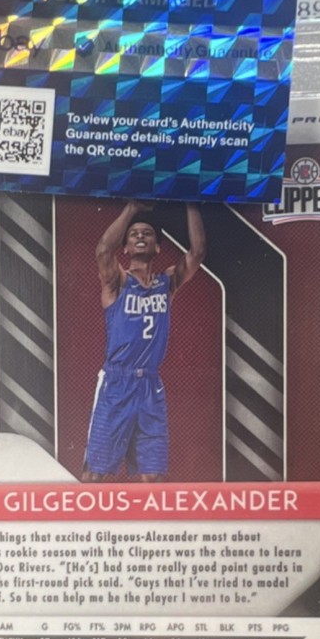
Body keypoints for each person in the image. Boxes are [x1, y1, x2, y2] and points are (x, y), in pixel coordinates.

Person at [82, 200, 205, 482]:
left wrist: (191, 201)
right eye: (134, 234)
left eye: (147, 233)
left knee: (154, 478)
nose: (140, 236)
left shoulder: (167, 283)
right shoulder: (118, 282)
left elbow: (197, 252)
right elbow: (103, 250)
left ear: (157, 247)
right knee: (95, 475)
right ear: (125, 248)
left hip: (150, 386)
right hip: (117, 383)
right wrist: (131, 209)